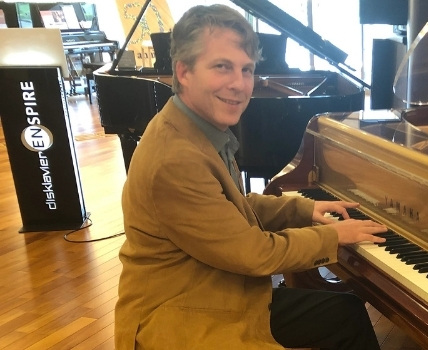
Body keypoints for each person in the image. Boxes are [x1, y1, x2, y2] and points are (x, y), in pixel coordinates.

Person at [113, 4, 387, 350]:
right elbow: (254, 255)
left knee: (344, 313)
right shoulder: (175, 159)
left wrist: (303, 210)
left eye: (247, 69)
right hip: (183, 315)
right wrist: (332, 237)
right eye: (222, 67)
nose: (240, 84)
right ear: (183, 71)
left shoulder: (196, 127)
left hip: (218, 290)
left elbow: (231, 208)